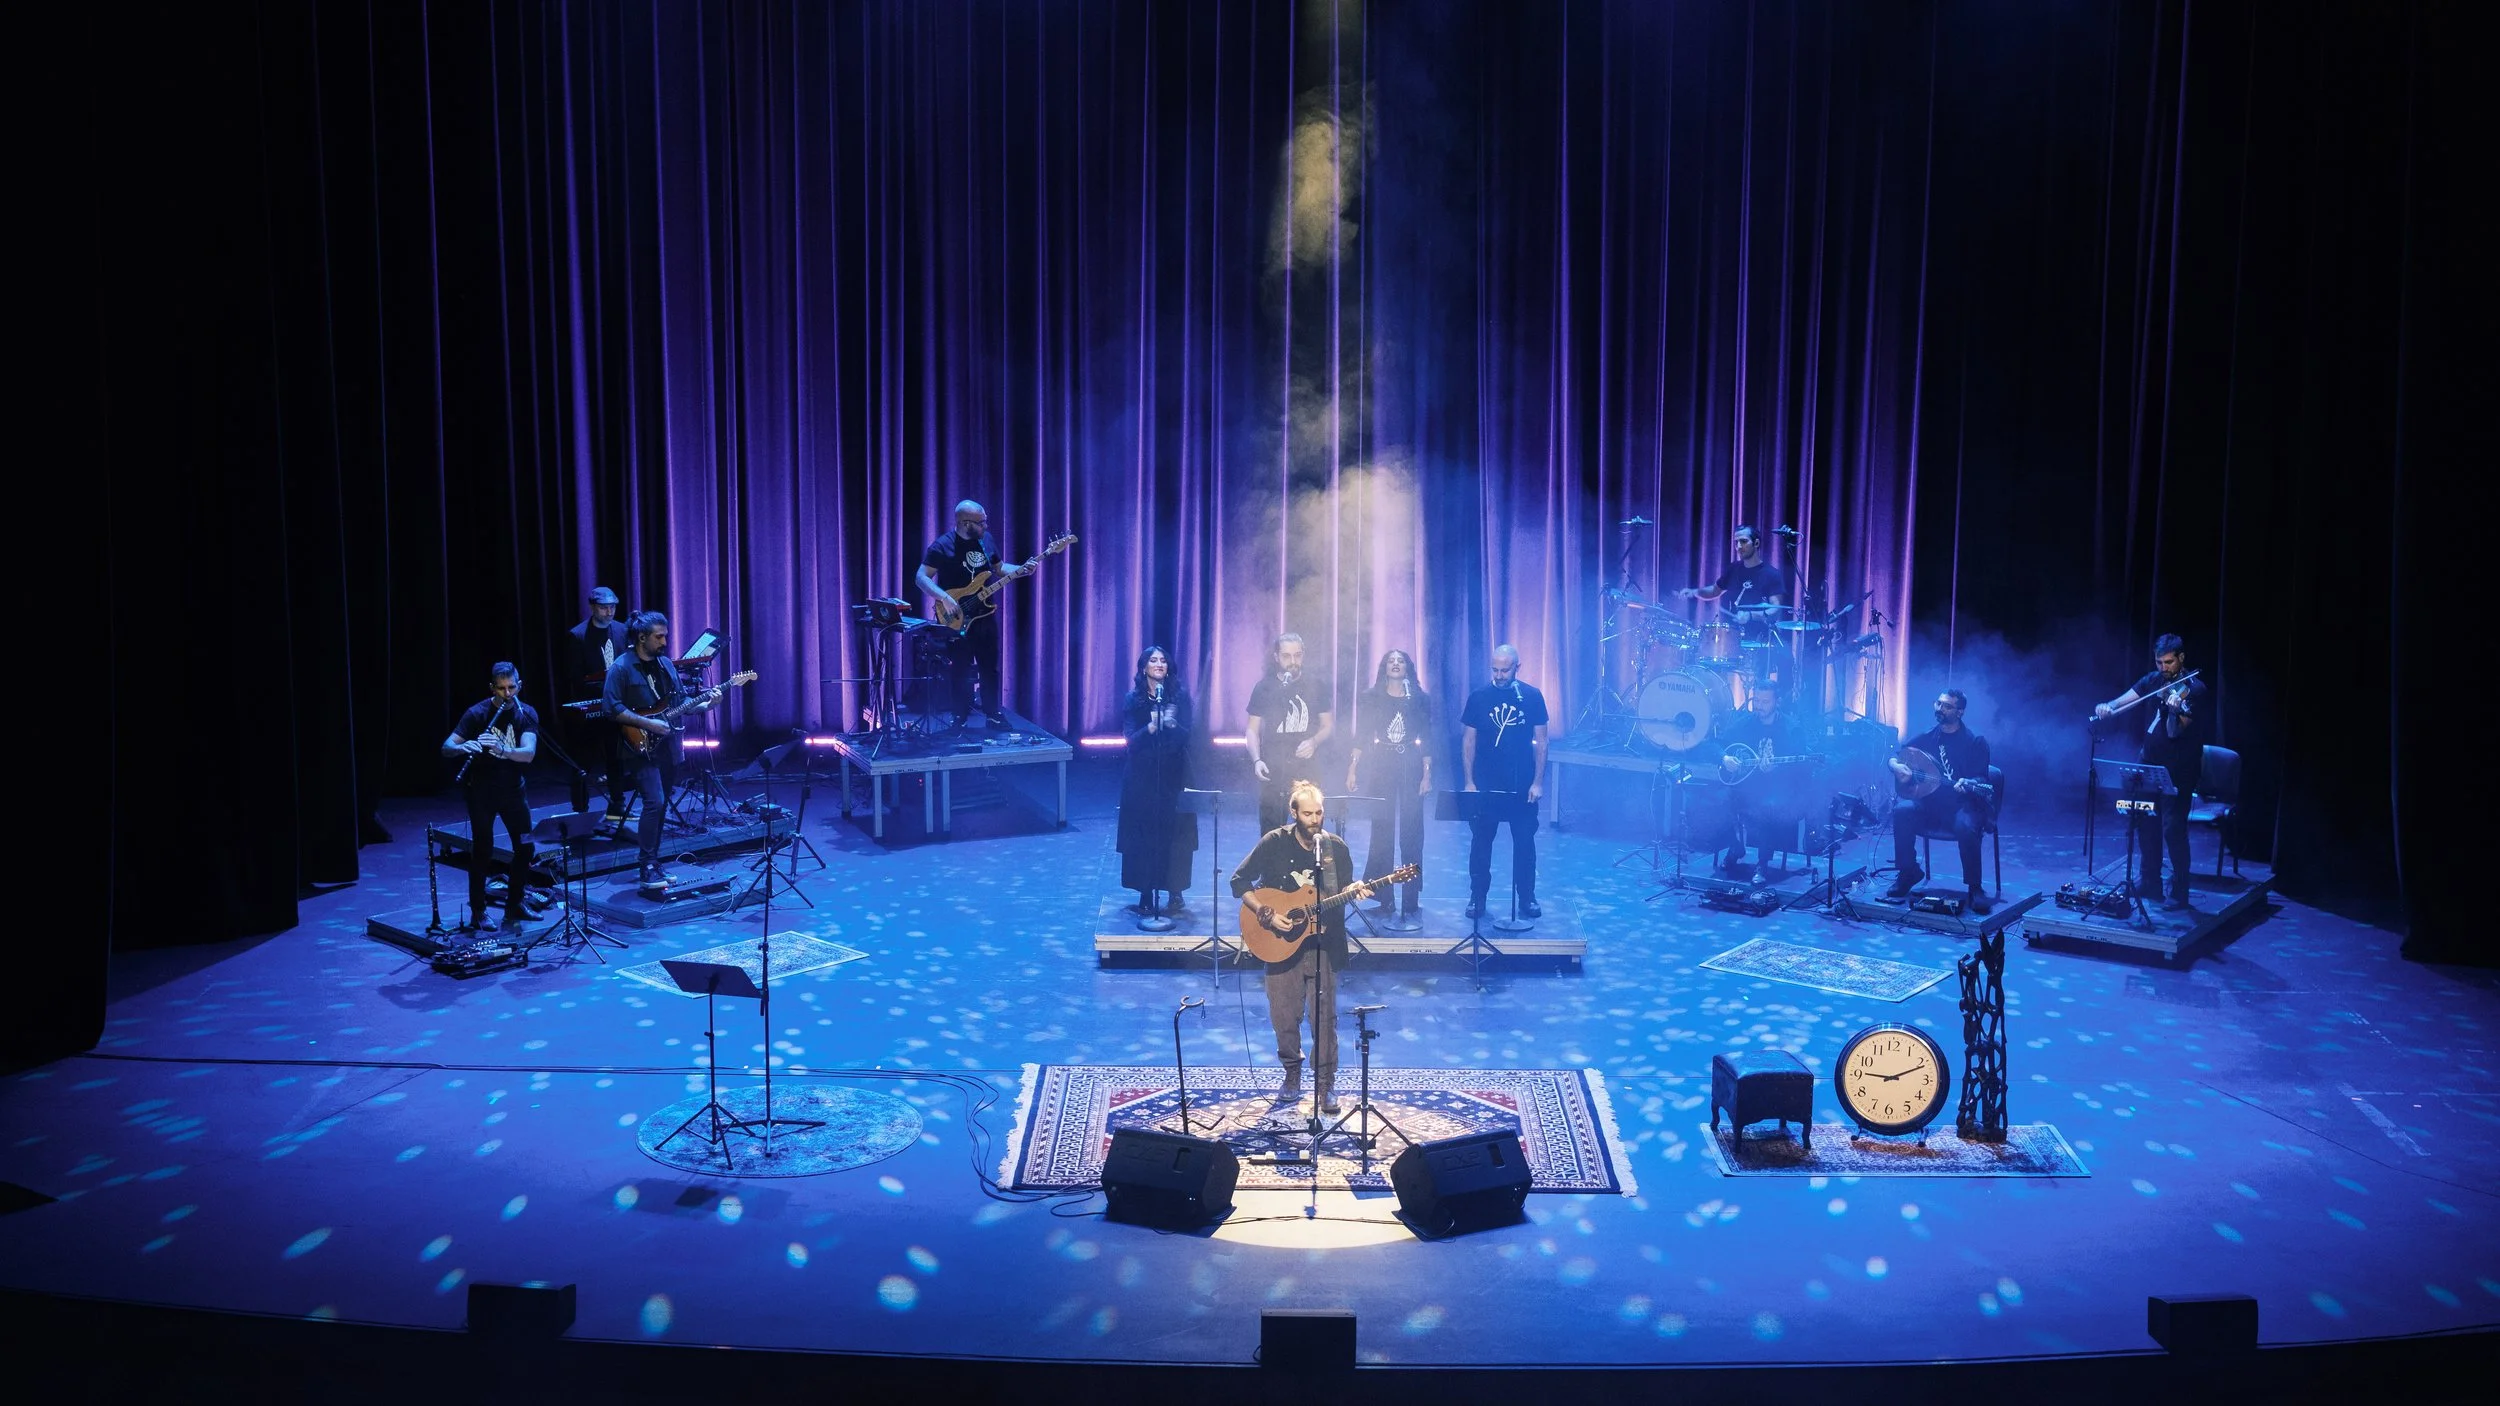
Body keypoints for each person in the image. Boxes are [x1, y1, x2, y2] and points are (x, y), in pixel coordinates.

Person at [1230, 781, 1375, 1113]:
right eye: (1308, 813)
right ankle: (1292, 1074)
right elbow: (1239, 881)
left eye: (1319, 813)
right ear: (1293, 813)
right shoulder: (1274, 842)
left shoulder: (1335, 848)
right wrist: (1267, 914)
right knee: (1284, 1016)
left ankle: (1325, 1085)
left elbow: (1341, 892)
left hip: (1323, 944)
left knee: (1324, 1019)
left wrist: (1355, 889)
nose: (1315, 820)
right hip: (1279, 943)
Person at [601, 611, 717, 891]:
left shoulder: (665, 664)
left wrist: (708, 704)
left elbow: (681, 702)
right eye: (659, 637)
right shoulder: (621, 668)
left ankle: (654, 861)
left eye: (665, 636)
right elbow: (611, 708)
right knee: (654, 801)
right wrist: (648, 723)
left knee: (662, 803)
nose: (665, 641)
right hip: (638, 747)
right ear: (642, 638)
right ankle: (646, 866)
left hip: (667, 746)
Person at [2096, 634, 2206, 909]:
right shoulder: (2154, 680)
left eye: (2169, 662)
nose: (2164, 668)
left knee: (2173, 829)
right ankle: (2150, 881)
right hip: (2148, 762)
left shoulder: (2194, 689)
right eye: (2159, 662)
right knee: (2145, 821)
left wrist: (2173, 710)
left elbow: (2173, 732)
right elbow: (2127, 699)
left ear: (2181, 658)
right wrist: (2109, 707)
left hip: (2179, 769)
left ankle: (2179, 891)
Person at [440, 663, 541, 933]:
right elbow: (446, 747)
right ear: (492, 688)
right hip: (481, 793)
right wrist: (464, 746)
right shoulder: (477, 713)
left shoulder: (526, 713)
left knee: (526, 847)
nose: (507, 694)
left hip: (514, 792)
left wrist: (502, 749)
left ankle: (515, 903)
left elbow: (528, 754)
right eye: (501, 688)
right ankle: (478, 911)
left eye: (512, 687)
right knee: (482, 850)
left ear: (520, 685)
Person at [914, 500, 1031, 727]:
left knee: (990, 667)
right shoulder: (942, 546)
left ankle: (993, 714)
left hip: (985, 615)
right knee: (959, 668)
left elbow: (999, 568)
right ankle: (959, 716)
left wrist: (1021, 569)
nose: (985, 526)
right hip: (956, 618)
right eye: (981, 522)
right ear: (965, 523)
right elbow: (921, 577)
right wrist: (944, 597)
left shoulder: (986, 540)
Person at [1886, 687, 1995, 915]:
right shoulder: (1926, 737)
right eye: (1938, 703)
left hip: (1963, 806)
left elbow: (1982, 778)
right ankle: (1908, 872)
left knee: (1965, 825)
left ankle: (1975, 888)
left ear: (1960, 712)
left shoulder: (1975, 742)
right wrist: (1896, 767)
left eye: (1947, 706)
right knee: (1902, 811)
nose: (1940, 709)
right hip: (1930, 805)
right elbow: (1896, 756)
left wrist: (1969, 782)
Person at [1460, 644, 1549, 919]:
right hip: (1486, 783)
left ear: (1517, 668)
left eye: (1505, 670)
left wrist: (1537, 782)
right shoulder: (1479, 697)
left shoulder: (1531, 697)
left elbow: (1542, 742)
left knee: (1524, 843)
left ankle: (1527, 897)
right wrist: (1469, 782)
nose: (1499, 676)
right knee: (1481, 843)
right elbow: (1469, 741)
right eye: (1495, 670)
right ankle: (1477, 896)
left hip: (1521, 784)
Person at [1115, 646, 1198, 923]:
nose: (1159, 664)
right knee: (1144, 833)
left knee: (1176, 832)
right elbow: (1130, 740)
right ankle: (1145, 890)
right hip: (1143, 776)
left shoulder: (1179, 696)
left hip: (1175, 773)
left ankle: (1175, 890)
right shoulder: (1134, 699)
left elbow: (1190, 735)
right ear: (1144, 667)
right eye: (1153, 660)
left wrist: (1170, 723)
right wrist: (1151, 726)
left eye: (1163, 660)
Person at [1347, 648, 1432, 916]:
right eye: (1391, 661)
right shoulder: (1371, 697)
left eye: (1401, 661)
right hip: (1381, 764)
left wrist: (1427, 774)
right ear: (1384, 667)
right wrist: (1353, 769)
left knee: (1412, 833)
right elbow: (1362, 735)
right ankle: (1384, 897)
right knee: (1381, 832)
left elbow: (1427, 737)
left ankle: (1410, 899)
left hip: (1410, 764)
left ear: (1408, 668)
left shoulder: (1419, 699)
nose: (1396, 664)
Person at [1718, 681, 1810, 879]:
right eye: (1756, 700)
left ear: (1777, 702)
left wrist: (1776, 771)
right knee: (1715, 800)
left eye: (1765, 702)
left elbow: (1802, 769)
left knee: (1765, 805)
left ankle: (1762, 863)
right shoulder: (1744, 724)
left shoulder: (1791, 729)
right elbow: (1717, 744)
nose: (1759, 706)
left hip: (1779, 789)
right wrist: (1724, 758)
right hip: (1744, 786)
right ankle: (1736, 847)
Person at [1244, 633, 1333, 833]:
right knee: (1271, 833)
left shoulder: (1316, 685)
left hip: (1306, 770)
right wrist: (1257, 760)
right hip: (1273, 770)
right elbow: (1252, 729)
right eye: (1286, 656)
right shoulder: (1264, 687)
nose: (1293, 661)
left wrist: (1314, 741)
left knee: (1308, 830)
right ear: (1276, 657)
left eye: (1297, 655)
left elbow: (1327, 725)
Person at [564, 586, 633, 820]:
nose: (609, 612)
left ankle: (618, 805)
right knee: (583, 760)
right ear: (592, 607)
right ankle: (580, 809)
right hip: (590, 705)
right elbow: (575, 677)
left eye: (612, 607)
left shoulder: (622, 630)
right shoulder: (578, 635)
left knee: (616, 757)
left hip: (616, 704)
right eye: (604, 608)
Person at [1676, 524, 1791, 630]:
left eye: (1743, 541)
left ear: (1756, 543)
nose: (1739, 546)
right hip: (1733, 636)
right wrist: (1695, 592)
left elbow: (1775, 610)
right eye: (1736, 542)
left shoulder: (1772, 574)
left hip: (1759, 639)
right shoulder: (1733, 568)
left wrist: (1750, 615)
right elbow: (1715, 591)